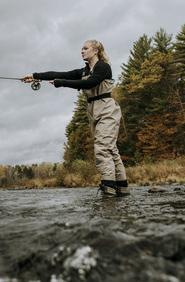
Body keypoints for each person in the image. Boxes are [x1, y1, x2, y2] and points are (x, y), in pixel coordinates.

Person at [21, 39, 129, 198]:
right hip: (93, 110)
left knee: (102, 147)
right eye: (81, 49)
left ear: (95, 51)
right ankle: (122, 189)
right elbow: (59, 74)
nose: (82, 51)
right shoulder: (84, 71)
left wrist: (61, 83)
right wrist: (35, 76)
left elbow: (89, 83)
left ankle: (109, 190)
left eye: (85, 48)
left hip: (107, 108)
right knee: (111, 149)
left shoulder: (103, 67)